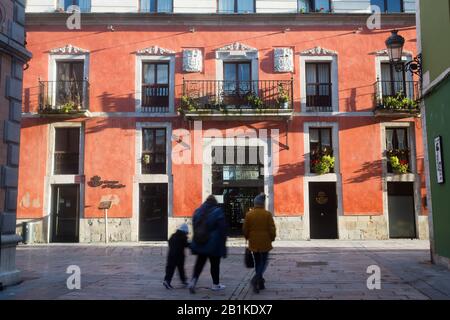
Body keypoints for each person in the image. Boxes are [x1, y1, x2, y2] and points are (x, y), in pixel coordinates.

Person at [188, 195, 227, 294]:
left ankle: (193, 281)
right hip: (213, 243)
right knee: (214, 264)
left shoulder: (198, 211)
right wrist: (224, 242)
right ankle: (215, 284)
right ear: (214, 202)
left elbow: (194, 225)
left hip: (200, 241)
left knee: (199, 263)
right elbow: (223, 229)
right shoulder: (218, 211)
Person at [243, 193, 276, 293]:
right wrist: (272, 238)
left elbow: (245, 229)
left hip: (253, 241)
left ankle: (260, 283)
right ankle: (256, 279)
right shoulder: (267, 214)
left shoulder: (249, 214)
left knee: (257, 261)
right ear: (263, 203)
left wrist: (247, 237)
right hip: (265, 241)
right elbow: (272, 229)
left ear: (255, 203)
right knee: (264, 261)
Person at [163, 223, 190, 289]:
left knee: (170, 268)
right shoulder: (183, 237)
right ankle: (184, 281)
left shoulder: (173, 235)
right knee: (181, 269)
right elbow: (186, 245)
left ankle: (167, 280)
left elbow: (169, 242)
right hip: (179, 256)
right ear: (185, 231)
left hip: (171, 255)